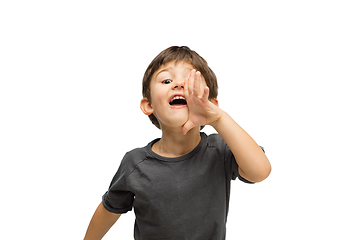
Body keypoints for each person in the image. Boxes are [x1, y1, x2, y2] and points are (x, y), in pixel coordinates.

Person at [83, 46, 271, 240]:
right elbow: (109, 210)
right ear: (149, 105)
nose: (179, 84)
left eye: (190, 82)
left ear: (211, 104)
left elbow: (260, 171)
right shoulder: (135, 163)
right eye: (166, 80)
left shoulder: (219, 151)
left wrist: (218, 119)